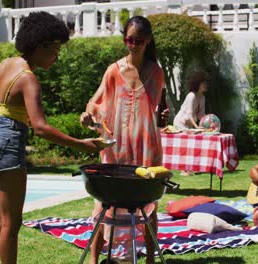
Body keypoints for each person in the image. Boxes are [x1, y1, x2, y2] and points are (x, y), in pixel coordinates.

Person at [0, 12, 103, 264]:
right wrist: (81, 145)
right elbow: (41, 128)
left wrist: (4, 117)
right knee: (12, 222)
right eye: (54, 50)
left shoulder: (4, 64)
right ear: (39, 46)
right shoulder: (28, 79)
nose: (57, 56)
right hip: (5, 146)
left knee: (1, 217)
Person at [80, 16, 167, 264]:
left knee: (149, 205)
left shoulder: (156, 73)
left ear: (148, 40)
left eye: (139, 40)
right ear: (124, 39)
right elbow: (95, 103)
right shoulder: (113, 71)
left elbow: (154, 114)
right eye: (129, 39)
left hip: (147, 148)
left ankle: (150, 259)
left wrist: (161, 117)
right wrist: (89, 116)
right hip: (116, 149)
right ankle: (94, 259)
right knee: (104, 204)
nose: (133, 44)